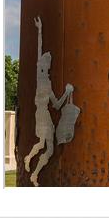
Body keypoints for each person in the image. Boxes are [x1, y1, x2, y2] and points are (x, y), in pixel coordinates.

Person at [23, 16, 73, 187]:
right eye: (47, 63)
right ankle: (33, 171)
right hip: (42, 115)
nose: (48, 66)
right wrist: (39, 29)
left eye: (48, 63)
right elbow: (39, 48)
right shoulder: (40, 76)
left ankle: (31, 165)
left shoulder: (47, 83)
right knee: (46, 146)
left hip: (44, 115)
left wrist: (66, 93)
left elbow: (57, 106)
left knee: (45, 146)